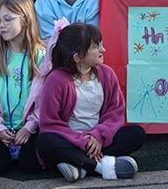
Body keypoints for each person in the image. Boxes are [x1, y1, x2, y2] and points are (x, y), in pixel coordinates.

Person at [36, 22, 145, 183]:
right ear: (78, 57)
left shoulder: (107, 74)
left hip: (99, 140)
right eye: (96, 47)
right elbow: (50, 124)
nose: (103, 50)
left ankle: (78, 166)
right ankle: (101, 166)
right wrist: (82, 141)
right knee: (45, 142)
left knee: (136, 134)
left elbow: (115, 113)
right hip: (70, 140)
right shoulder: (56, 80)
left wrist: (97, 135)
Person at [0, 0, 46, 176]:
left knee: (31, 165)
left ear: (26, 19)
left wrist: (30, 127)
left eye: (7, 19)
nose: (1, 25)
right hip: (2, 130)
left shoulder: (41, 57)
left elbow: (46, 98)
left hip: (30, 128)